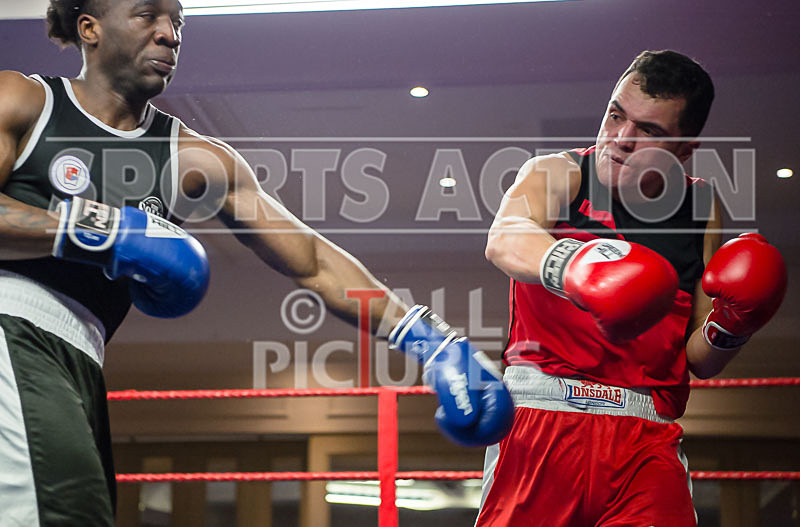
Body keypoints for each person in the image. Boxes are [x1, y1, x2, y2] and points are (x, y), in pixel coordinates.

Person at [0, 1, 514, 525]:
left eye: (177, 22)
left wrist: (431, 342)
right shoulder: (22, 99)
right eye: (147, 16)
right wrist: (102, 232)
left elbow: (311, 260)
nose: (169, 35)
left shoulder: (195, 157)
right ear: (90, 28)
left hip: (79, 358)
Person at [477, 50, 787, 526]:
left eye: (649, 131)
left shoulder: (700, 207)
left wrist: (735, 325)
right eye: (616, 115)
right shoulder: (559, 173)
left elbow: (699, 359)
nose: (621, 139)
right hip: (542, 424)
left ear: (684, 149)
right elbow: (504, 239)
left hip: (645, 441)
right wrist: (580, 267)